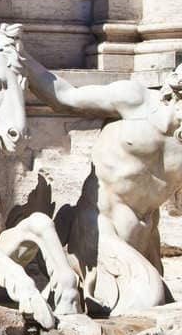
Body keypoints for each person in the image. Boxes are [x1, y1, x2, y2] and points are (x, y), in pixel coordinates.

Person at [23, 54, 182, 312]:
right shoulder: (135, 99)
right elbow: (65, 97)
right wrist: (22, 59)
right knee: (148, 301)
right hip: (98, 227)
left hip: (145, 237)